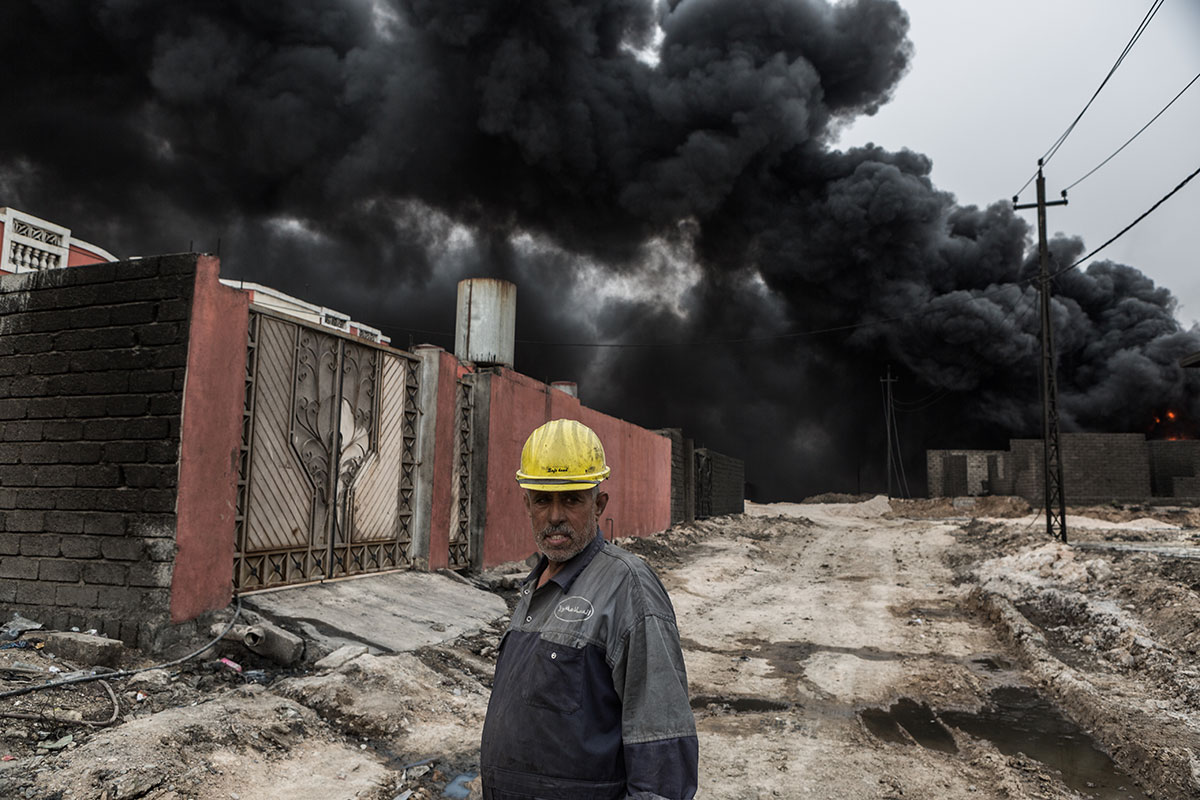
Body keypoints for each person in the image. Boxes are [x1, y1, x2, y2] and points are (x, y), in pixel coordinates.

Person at [480, 418, 698, 800]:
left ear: (599, 504)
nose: (555, 515)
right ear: (526, 503)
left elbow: (662, 749)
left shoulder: (628, 587)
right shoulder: (535, 587)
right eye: (544, 499)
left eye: (573, 499)